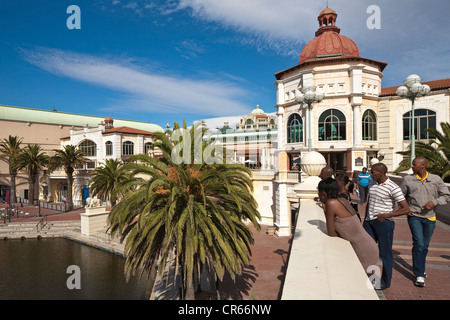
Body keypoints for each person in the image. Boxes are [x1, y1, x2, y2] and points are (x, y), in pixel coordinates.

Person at [400, 157, 450, 287]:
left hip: (430, 218)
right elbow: (401, 197)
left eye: (414, 164)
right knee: (419, 244)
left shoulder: (436, 179)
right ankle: (420, 274)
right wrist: (405, 209)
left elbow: (446, 195)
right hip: (414, 216)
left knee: (425, 246)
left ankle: (420, 267)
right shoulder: (407, 179)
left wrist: (434, 202)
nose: (412, 166)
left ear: (423, 166)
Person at [363, 163, 411, 289]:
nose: (370, 174)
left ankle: (385, 281)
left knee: (385, 254)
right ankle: (371, 277)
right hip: (369, 222)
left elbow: (405, 209)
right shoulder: (372, 184)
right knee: (369, 251)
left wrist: (387, 215)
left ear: (381, 173)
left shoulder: (393, 187)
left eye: (373, 172)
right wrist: (365, 220)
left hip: (384, 224)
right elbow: (369, 202)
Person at [318, 178, 379, 274]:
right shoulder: (342, 199)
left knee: (362, 282)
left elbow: (331, 233)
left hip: (363, 250)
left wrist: (324, 207)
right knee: (367, 281)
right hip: (369, 246)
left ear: (323, 193)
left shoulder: (331, 204)